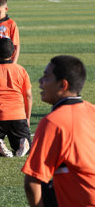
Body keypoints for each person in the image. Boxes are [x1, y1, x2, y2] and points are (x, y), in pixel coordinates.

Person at [22, 55, 95, 207]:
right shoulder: (92, 110)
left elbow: (32, 182)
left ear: (63, 85)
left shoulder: (53, 121)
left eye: (46, 77)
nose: (40, 82)